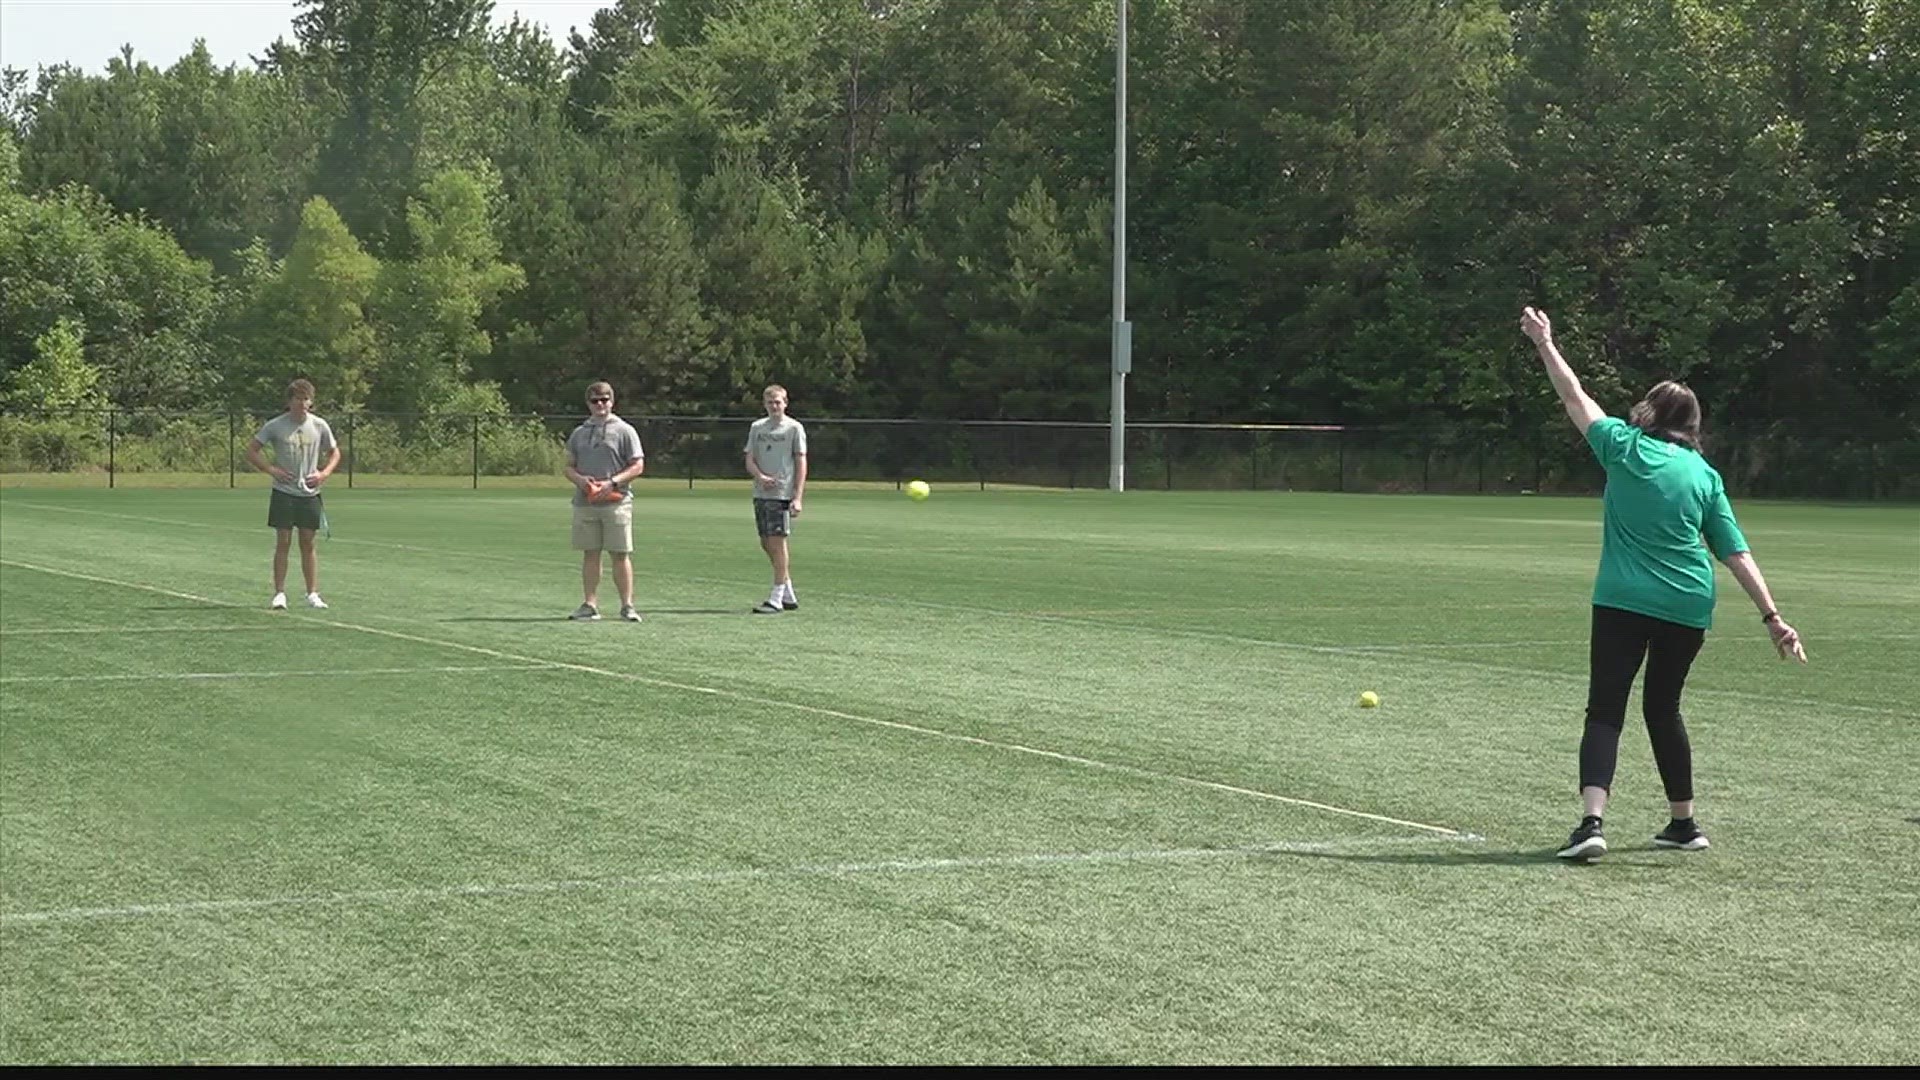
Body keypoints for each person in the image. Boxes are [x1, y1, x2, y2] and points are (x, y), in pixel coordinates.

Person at [1521, 308, 1806, 862]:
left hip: (1624, 600)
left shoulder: (1624, 446)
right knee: (1663, 707)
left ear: (1651, 413)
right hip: (1688, 603)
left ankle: (1592, 824)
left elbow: (1574, 395)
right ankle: (1684, 823)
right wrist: (1773, 618)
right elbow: (1734, 552)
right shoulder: (1705, 475)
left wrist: (1545, 344)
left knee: (1606, 708)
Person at [245, 379, 340, 611]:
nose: (303, 403)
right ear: (289, 401)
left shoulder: (319, 425)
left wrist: (323, 474)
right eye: (298, 399)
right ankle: (279, 593)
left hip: (309, 493)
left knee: (308, 542)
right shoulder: (276, 426)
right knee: (283, 541)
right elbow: (252, 450)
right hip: (284, 492)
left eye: (306, 399)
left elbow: (334, 452)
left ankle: (312, 593)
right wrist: (271, 469)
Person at [563, 381, 645, 622]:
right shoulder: (579, 433)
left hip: (616, 502)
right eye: (595, 400)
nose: (600, 404)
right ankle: (590, 604)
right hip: (585, 502)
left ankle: (627, 606)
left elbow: (638, 464)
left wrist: (612, 483)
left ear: (612, 401)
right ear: (588, 403)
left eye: (604, 399)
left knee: (620, 553)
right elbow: (568, 467)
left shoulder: (625, 430)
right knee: (591, 553)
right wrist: (581, 481)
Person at [744, 384, 808, 615]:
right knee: (766, 542)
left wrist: (797, 496)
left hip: (782, 494)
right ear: (765, 404)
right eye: (770, 402)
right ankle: (788, 592)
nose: (774, 406)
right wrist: (760, 476)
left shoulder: (794, 428)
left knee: (777, 543)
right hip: (761, 493)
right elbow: (749, 458)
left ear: (786, 403)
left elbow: (801, 463)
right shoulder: (757, 428)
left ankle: (777, 597)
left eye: (778, 402)